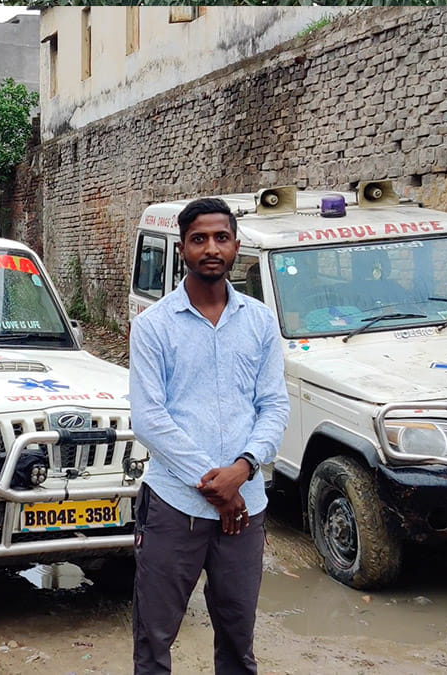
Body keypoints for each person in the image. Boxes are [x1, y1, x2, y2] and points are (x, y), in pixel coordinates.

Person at [129, 197, 289, 675]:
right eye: (199, 239)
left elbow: (274, 406)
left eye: (221, 237)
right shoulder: (154, 326)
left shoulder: (259, 322)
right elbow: (149, 418)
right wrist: (214, 484)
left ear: (236, 245)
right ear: (183, 249)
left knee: (239, 641)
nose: (211, 248)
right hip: (175, 508)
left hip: (245, 510)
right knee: (154, 640)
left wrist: (240, 472)